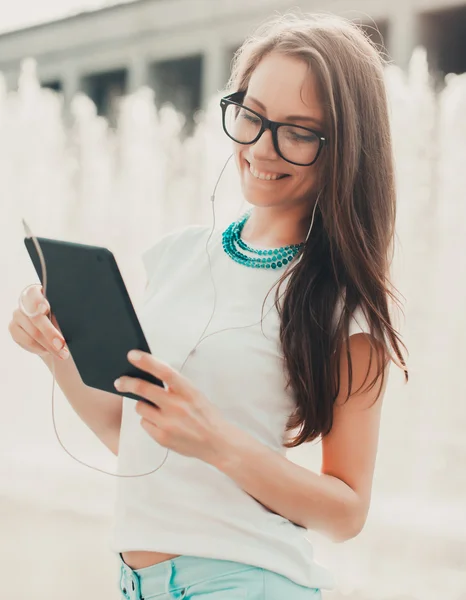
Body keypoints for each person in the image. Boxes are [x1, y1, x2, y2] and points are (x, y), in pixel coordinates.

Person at [9, 11, 408, 600]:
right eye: (252, 116)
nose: (261, 147)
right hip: (136, 584)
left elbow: (347, 513)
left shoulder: (342, 308)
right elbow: (136, 436)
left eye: (298, 131)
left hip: (245, 583)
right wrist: (54, 352)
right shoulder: (177, 256)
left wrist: (218, 440)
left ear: (344, 148)